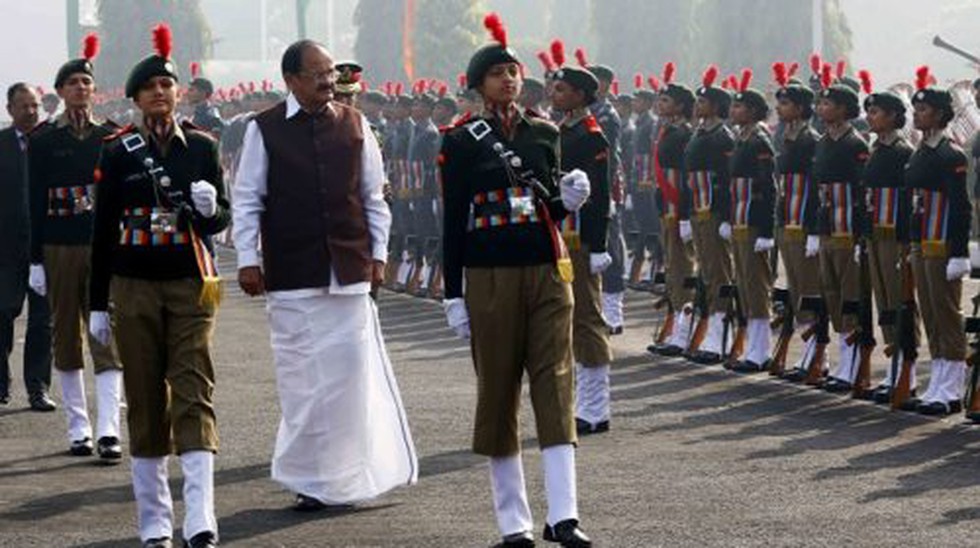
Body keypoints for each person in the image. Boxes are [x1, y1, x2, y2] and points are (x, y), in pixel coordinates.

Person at [233, 38, 417, 511]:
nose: (326, 80)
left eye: (330, 71)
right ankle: (309, 479)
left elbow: (374, 197)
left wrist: (379, 255)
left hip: (349, 272)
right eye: (316, 72)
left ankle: (351, 476)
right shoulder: (265, 129)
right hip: (292, 274)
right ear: (291, 79)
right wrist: (248, 259)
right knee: (305, 386)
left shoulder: (356, 124)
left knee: (352, 380)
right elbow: (248, 197)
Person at [440, 13, 593, 547]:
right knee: (499, 390)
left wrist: (570, 202)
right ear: (478, 85)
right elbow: (452, 217)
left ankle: (566, 515)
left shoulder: (545, 133)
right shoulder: (459, 141)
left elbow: (549, 205)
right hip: (488, 275)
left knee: (555, 384)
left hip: (547, 271)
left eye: (514, 70)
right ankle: (513, 521)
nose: (508, 79)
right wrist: (452, 292)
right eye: (496, 72)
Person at [88, 24, 226, 548]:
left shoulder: (203, 148)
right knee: (146, 400)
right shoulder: (117, 152)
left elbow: (218, 223)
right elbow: (102, 231)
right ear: (136, 99)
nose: (160, 95)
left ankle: (201, 517)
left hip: (191, 286)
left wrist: (213, 211)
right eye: (150, 89)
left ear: (178, 93)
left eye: (167, 87)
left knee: (194, 392)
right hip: (134, 285)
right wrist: (96, 302)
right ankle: (153, 519)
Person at [28, 33, 123, 459]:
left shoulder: (111, 138)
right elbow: (33, 200)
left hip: (103, 245)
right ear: (61, 92)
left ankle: (107, 429)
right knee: (66, 336)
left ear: (94, 89)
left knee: (106, 334)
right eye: (72, 83)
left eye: (86, 82)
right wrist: (35, 258)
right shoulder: (45, 140)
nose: (81, 89)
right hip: (59, 246)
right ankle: (78, 427)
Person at [903, 66, 972, 416]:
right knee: (929, 313)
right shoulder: (921, 152)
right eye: (916, 110)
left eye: (924, 110)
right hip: (921, 243)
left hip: (942, 243)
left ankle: (953, 386)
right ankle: (939, 381)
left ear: (941, 115)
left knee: (946, 313)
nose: (917, 115)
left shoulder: (951, 154)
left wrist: (958, 253)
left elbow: (961, 208)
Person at [550, 63, 613, 435]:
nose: (554, 95)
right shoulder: (562, 130)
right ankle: (581, 399)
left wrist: (598, 244)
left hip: (581, 238)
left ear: (580, 95)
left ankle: (595, 404)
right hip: (560, 234)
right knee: (566, 315)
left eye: (561, 90)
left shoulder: (591, 136)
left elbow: (600, 195)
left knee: (587, 317)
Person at [858, 76, 919, 400]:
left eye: (877, 112)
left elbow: (910, 201)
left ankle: (907, 369)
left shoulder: (901, 151)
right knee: (883, 301)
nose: (870, 117)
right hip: (875, 236)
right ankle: (893, 366)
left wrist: (908, 242)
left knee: (901, 301)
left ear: (894, 116)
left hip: (895, 236)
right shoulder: (876, 149)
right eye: (869, 112)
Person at [809, 65, 869, 389]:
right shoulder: (822, 143)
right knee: (831, 294)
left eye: (828, 104)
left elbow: (862, 193)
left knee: (849, 297)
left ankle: (852, 365)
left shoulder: (854, 144)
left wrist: (861, 236)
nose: (822, 109)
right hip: (828, 228)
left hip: (848, 231)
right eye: (820, 104)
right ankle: (843, 360)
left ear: (844, 109)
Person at [0, 83, 54, 410]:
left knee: (42, 321)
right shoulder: (1, 145)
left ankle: (38, 388)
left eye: (34, 105)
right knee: (2, 314)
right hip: (5, 249)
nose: (31, 111)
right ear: (10, 110)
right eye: (24, 106)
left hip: (46, 248)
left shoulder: (51, 144)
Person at [769, 63, 823, 381]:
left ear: (801, 109)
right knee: (794, 288)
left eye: (786, 103)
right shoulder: (787, 137)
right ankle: (805, 354)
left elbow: (816, 188)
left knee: (810, 290)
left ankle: (817, 356)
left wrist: (814, 230)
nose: (780, 107)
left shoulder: (809, 140)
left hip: (804, 223)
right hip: (787, 220)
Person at [681, 65, 736, 364]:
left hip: (715, 211)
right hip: (698, 210)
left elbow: (728, 181)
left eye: (703, 102)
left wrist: (726, 216)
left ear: (716, 106)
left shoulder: (723, 137)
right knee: (705, 271)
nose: (698, 105)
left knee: (719, 272)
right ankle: (709, 331)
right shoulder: (698, 133)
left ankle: (720, 332)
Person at [727, 71, 777, 372]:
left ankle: (761, 350)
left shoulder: (759, 141)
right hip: (739, 220)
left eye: (740, 107)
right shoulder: (741, 139)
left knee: (757, 287)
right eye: (733, 105)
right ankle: (751, 347)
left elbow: (768, 188)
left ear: (755, 112)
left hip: (755, 223)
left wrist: (767, 229)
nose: (734, 110)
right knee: (744, 284)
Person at [648, 67, 697, 356]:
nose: (660, 105)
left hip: (679, 207)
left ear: (680, 105)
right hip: (666, 208)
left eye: (666, 100)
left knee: (682, 267)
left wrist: (686, 214)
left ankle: (684, 330)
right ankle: (675, 324)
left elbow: (688, 178)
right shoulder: (666, 130)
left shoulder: (684, 134)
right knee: (672, 267)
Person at [186, 68, 225, 137]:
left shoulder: (211, 117)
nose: (187, 93)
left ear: (203, 93)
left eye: (191, 90)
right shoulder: (197, 113)